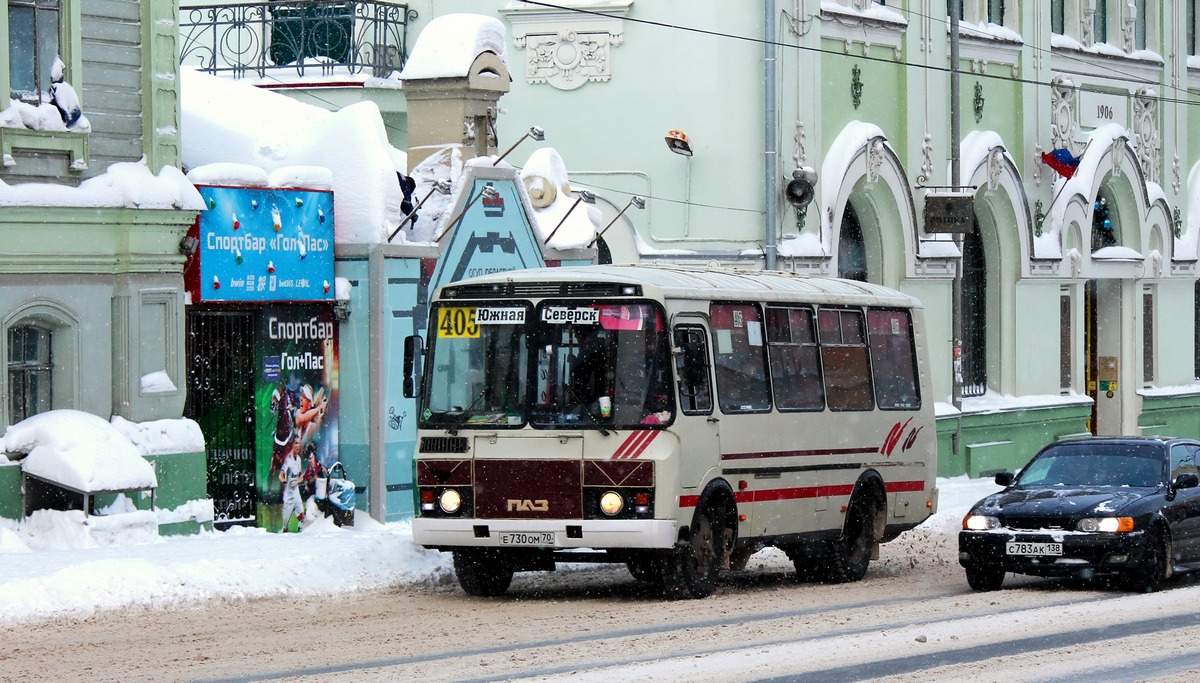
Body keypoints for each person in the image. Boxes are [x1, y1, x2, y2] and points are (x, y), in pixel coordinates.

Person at [279, 435, 305, 532]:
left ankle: (300, 533)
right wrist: (284, 480)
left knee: (302, 518)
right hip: (288, 496)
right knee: (285, 527)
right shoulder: (288, 460)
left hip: (296, 494)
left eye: (298, 443)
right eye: (295, 443)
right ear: (292, 445)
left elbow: (300, 476)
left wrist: (298, 481)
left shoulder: (298, 459)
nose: (297, 445)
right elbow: (281, 474)